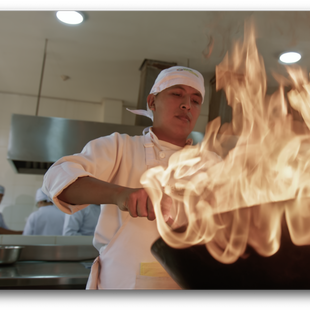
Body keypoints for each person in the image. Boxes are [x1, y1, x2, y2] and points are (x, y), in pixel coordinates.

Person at [42, 66, 207, 289]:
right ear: (152, 102)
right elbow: (57, 176)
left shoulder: (211, 163)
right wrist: (120, 194)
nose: (187, 104)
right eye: (177, 94)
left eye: (196, 100)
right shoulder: (120, 147)